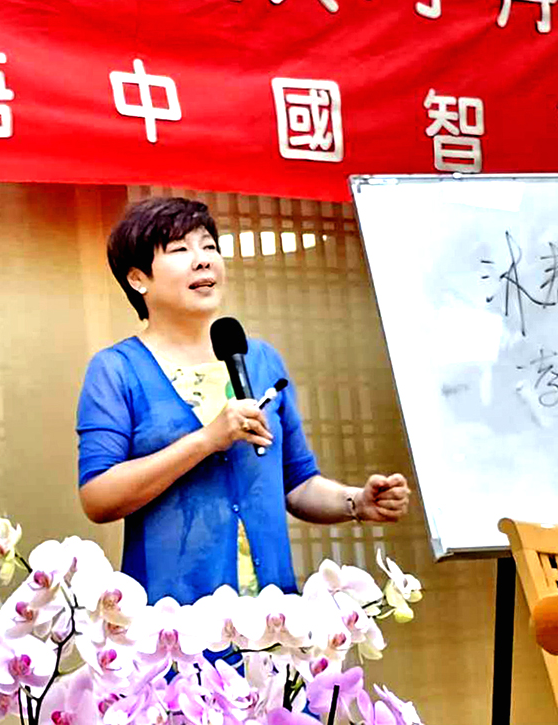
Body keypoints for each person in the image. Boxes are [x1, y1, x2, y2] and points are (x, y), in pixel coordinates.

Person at [76, 197, 411, 605]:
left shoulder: (261, 360)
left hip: (272, 615)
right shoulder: (116, 369)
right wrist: (206, 440)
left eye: (209, 246)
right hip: (171, 621)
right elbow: (98, 497)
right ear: (137, 279)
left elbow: (298, 483)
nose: (203, 260)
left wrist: (356, 501)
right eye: (180, 250)